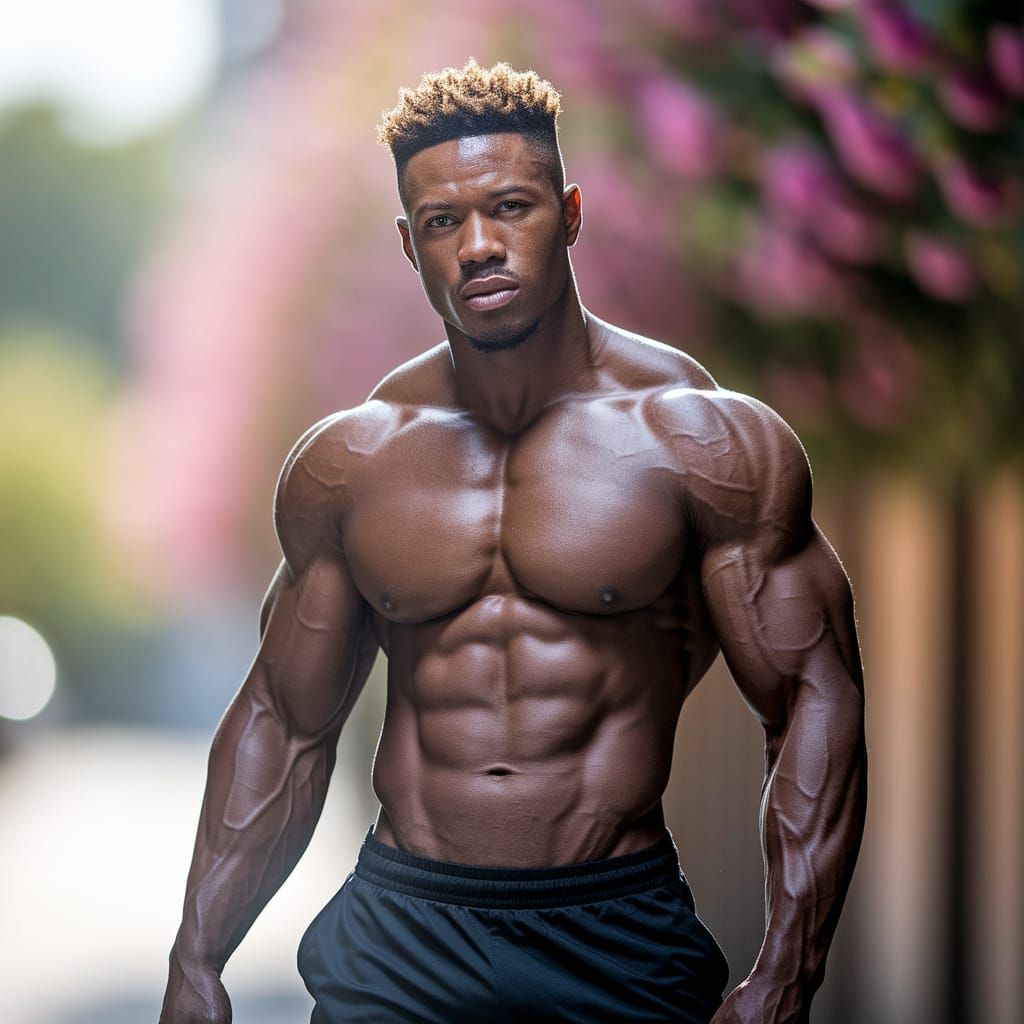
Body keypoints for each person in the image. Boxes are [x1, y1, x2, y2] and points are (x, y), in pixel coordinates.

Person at [159, 60, 867, 1024]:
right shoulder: (354, 462)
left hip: (613, 930)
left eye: (512, 208)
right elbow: (285, 722)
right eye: (445, 225)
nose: (480, 246)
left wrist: (789, 970)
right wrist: (197, 958)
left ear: (570, 214)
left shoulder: (700, 441)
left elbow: (812, 698)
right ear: (410, 247)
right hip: (401, 933)